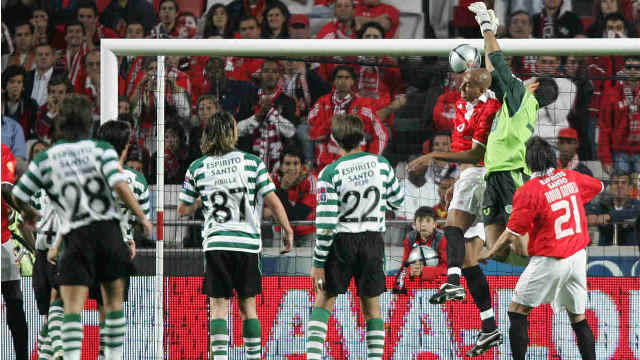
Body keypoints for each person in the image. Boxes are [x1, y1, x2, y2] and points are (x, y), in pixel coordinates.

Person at [11, 94, 152, 360]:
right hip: (110, 235)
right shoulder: (101, 150)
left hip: (75, 237)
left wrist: (29, 213)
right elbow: (120, 184)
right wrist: (142, 218)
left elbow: (18, 193)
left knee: (70, 309)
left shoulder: (47, 157)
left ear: (60, 122)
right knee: (112, 306)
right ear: (89, 121)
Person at [177, 111, 294, 360]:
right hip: (247, 245)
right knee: (248, 306)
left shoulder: (197, 167)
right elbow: (272, 200)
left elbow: (182, 210)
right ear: (232, 133)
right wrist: (287, 228)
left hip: (217, 243)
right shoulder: (252, 162)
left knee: (219, 307)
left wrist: (201, 199)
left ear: (208, 135)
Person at [408, 67, 503, 355]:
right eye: (462, 84)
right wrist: (457, 180)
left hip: (481, 173)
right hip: (467, 177)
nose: (462, 90)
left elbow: (476, 154)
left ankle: (451, 282)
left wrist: (434, 155)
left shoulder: (490, 109)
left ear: (483, 87)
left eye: (470, 86)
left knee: (451, 226)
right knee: (470, 262)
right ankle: (489, 328)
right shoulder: (462, 104)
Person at [481, 136, 602, 360]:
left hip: (551, 258)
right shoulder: (570, 177)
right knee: (578, 317)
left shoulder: (530, 191)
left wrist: (489, 251)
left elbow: (511, 232)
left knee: (516, 310)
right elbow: (599, 186)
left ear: (528, 163)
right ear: (552, 158)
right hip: (577, 256)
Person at [306, 114, 404, 360]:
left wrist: (318, 263)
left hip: (342, 241)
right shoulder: (381, 164)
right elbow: (398, 201)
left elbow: (326, 224)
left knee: (324, 301)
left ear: (334, 139)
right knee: (371, 307)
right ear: (363, 137)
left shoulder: (330, 172)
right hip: (373, 241)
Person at [468, 2, 554, 265]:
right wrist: (489, 34)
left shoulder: (522, 98)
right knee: (499, 250)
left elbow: (497, 63)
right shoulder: (515, 102)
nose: (522, 80)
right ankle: (499, 251)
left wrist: (486, 26)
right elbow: (495, 73)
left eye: (528, 79)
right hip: (494, 174)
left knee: (523, 248)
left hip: (511, 175)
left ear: (535, 85)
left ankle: (548, 266)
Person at [308, 65, 388, 171]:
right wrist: (330, 123)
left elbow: (381, 134)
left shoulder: (363, 105)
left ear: (352, 82)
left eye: (347, 78)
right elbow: (313, 135)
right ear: (334, 81)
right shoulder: (322, 103)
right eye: (339, 77)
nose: (343, 81)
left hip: (355, 166)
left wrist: (371, 159)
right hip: (326, 166)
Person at [0, 144, 29, 360]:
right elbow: (6, 189)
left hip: (3, 238)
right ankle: (22, 356)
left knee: (14, 298)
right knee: (13, 298)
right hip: (1, 240)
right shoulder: (2, 151)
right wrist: (30, 215)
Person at [392, 206, 447, 294]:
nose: (423, 224)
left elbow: (446, 268)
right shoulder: (410, 238)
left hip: (439, 282)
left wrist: (423, 270)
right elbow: (404, 265)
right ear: (415, 224)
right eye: (420, 221)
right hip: (418, 282)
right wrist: (410, 271)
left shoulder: (443, 239)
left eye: (428, 221)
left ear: (435, 224)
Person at [586, 170, 640, 245]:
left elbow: (634, 212)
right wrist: (590, 215)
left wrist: (610, 216)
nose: (619, 186)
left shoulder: (636, 205)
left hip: (632, 252)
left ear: (630, 188)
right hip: (604, 253)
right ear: (610, 187)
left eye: (623, 183)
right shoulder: (602, 205)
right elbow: (588, 212)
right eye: (615, 183)